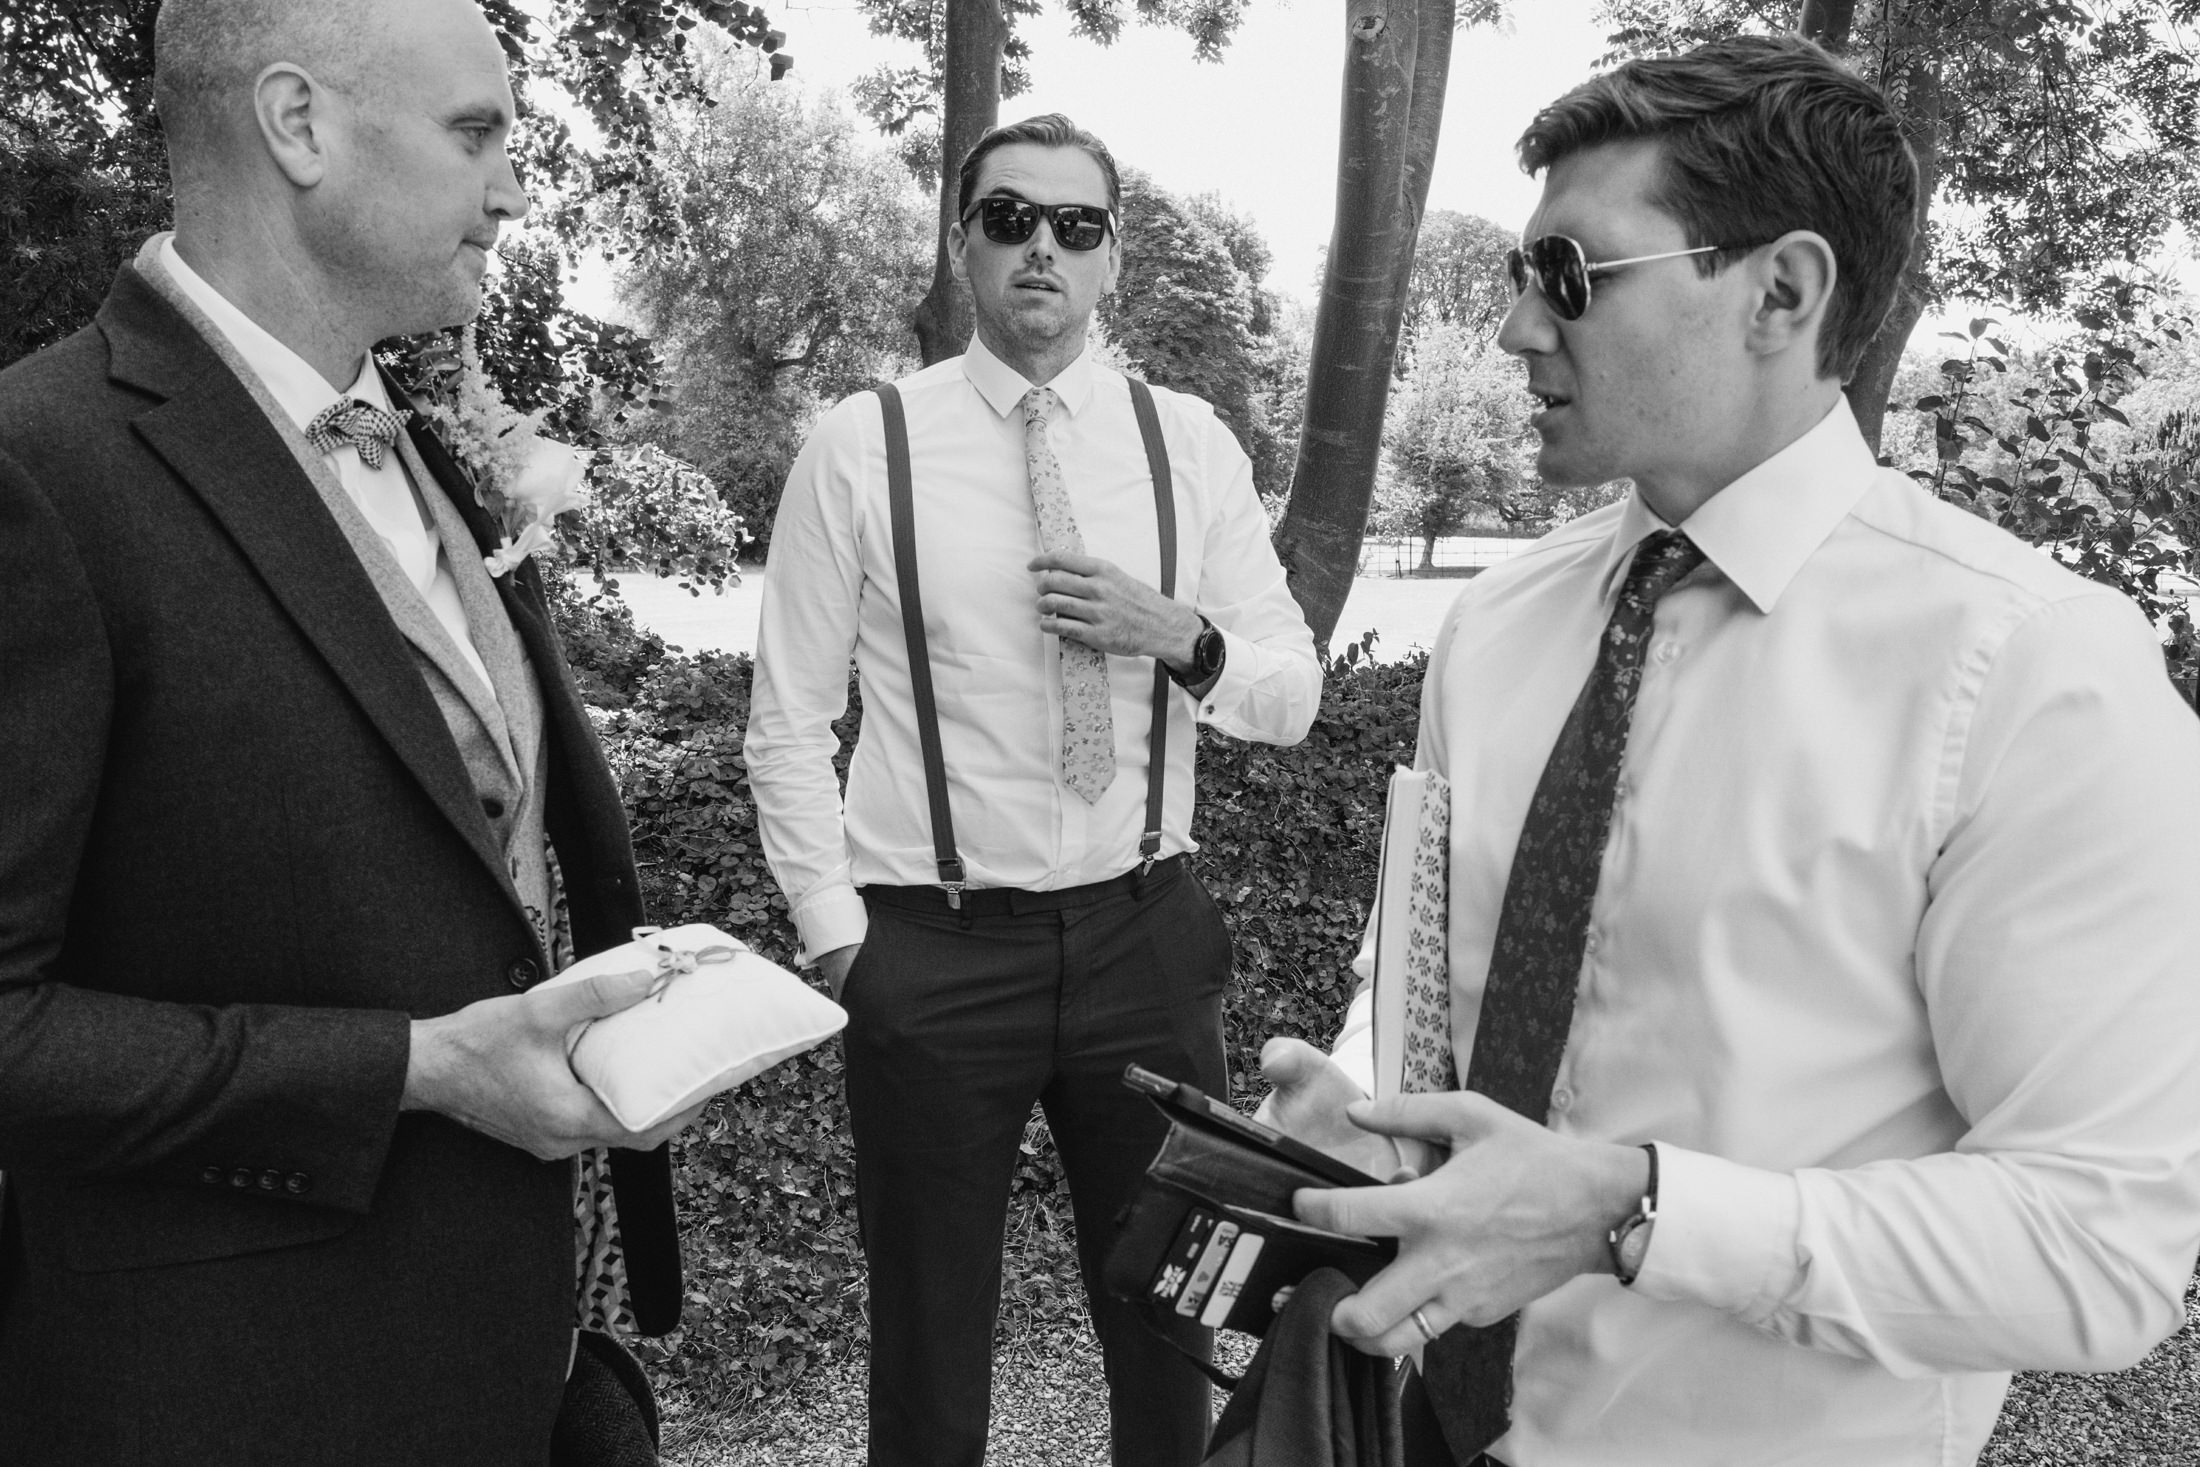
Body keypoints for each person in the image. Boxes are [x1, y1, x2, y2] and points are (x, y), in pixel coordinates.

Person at [1260, 34, 2200, 1467]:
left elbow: (2100, 1251)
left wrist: (1636, 1210)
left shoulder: (2035, 673)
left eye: (1567, 275)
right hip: (1419, 1431)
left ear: (1781, 290)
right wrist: (1356, 1102)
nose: (1516, 327)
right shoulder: (1501, 625)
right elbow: (1422, 980)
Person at [0, 0, 698, 1460]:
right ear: (299, 124)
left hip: (499, 1368)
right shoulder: (39, 469)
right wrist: (418, 1068)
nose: (514, 188)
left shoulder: (425, 444)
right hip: (230, 1397)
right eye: (476, 133)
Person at [744, 114, 1321, 1467]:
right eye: (1009, 220)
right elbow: (786, 718)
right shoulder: (862, 445)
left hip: (1145, 937)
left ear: (1113, 256)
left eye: (1077, 225)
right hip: (934, 950)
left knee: (1171, 1322)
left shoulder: (1189, 447)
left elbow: (1286, 696)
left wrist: (1179, 633)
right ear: (963, 246)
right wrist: (842, 940)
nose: (1041, 251)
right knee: (930, 1338)